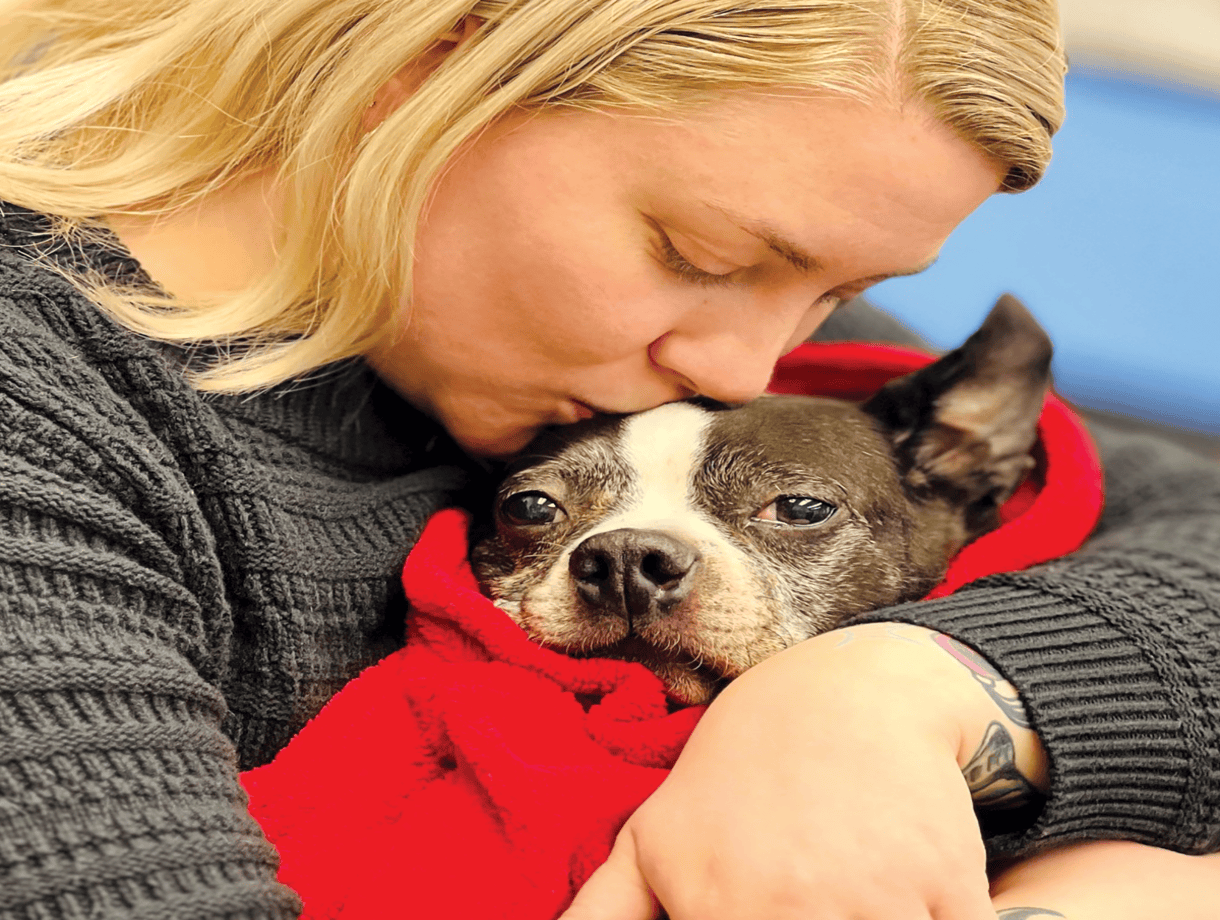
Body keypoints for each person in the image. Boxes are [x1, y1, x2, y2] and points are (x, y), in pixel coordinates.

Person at [0, 1, 1217, 918]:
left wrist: (888, 693)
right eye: (695, 252)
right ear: (433, 67)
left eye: (835, 293)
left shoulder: (701, 357)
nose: (748, 367)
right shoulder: (42, 417)